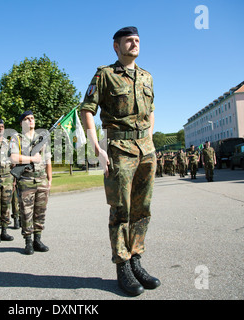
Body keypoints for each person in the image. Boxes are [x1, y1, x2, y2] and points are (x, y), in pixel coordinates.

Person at [80, 26, 160, 296]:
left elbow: (151, 113)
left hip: (145, 149)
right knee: (121, 210)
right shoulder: (105, 75)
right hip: (118, 148)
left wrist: (149, 142)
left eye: (137, 40)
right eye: (129, 41)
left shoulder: (147, 77)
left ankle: (136, 260)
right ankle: (122, 265)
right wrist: (97, 148)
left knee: (142, 209)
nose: (134, 44)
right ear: (116, 46)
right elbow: (86, 110)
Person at [10, 110, 52, 255]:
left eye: (32, 118)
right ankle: (28, 241)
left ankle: (37, 240)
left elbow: (47, 159)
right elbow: (14, 158)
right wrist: (32, 159)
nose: (30, 121)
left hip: (42, 179)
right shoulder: (17, 138)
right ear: (22, 122)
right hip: (26, 180)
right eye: (27, 119)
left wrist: (50, 178)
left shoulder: (41, 138)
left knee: (40, 212)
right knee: (26, 212)